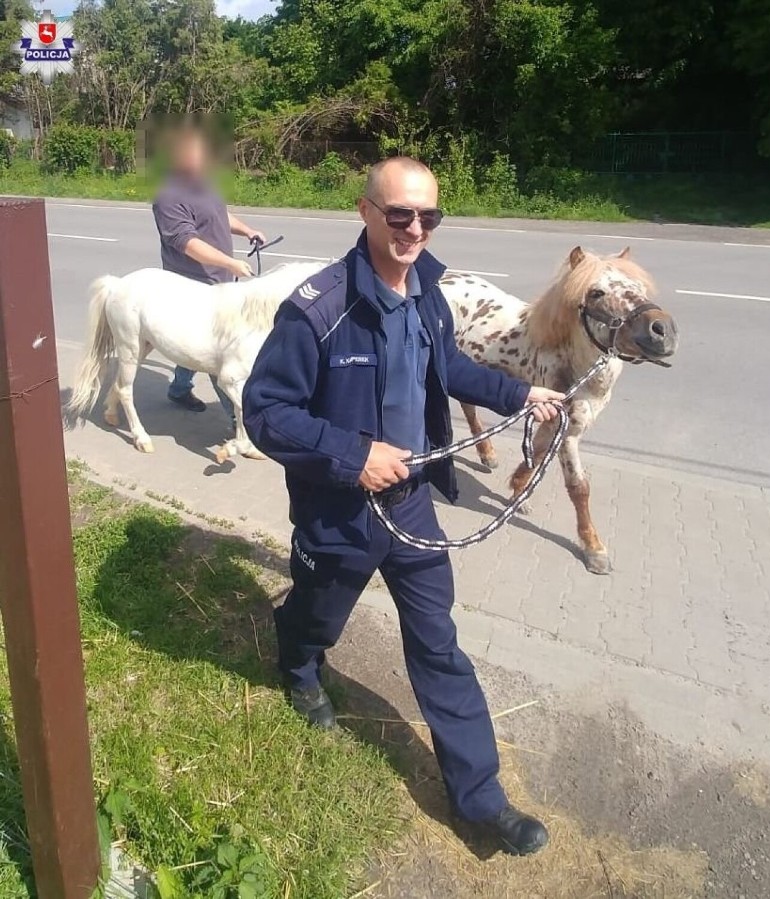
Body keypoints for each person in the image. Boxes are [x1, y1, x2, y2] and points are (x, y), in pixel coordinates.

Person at [242, 156, 563, 856]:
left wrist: (521, 394)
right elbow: (264, 411)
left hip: (413, 507)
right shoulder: (319, 309)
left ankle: (482, 800)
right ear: (365, 212)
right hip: (338, 511)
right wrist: (352, 455)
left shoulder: (428, 292)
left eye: (429, 216)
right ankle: (297, 665)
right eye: (399, 215)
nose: (415, 229)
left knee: (438, 643)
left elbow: (449, 370)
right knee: (317, 615)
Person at [152, 122, 266, 425]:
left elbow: (219, 214)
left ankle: (178, 388)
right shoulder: (167, 197)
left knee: (193, 346)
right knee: (221, 352)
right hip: (194, 286)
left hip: (219, 281)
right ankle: (237, 419)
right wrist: (230, 263)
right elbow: (187, 243)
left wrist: (247, 231)